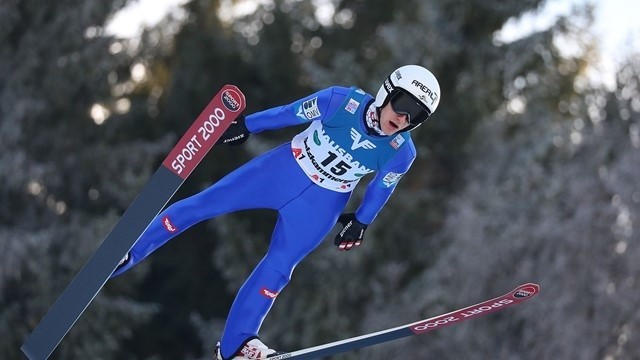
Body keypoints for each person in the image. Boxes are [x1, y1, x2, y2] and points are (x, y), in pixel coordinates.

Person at [111, 65, 441, 359]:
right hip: (282, 171)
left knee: (280, 267)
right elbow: (291, 113)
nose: (404, 119)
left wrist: (360, 222)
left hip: (322, 204)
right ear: (387, 91)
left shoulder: (401, 151)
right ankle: (130, 250)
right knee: (206, 203)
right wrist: (247, 126)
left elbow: (381, 187)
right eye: (404, 105)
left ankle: (236, 346)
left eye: (417, 116)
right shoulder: (341, 101)